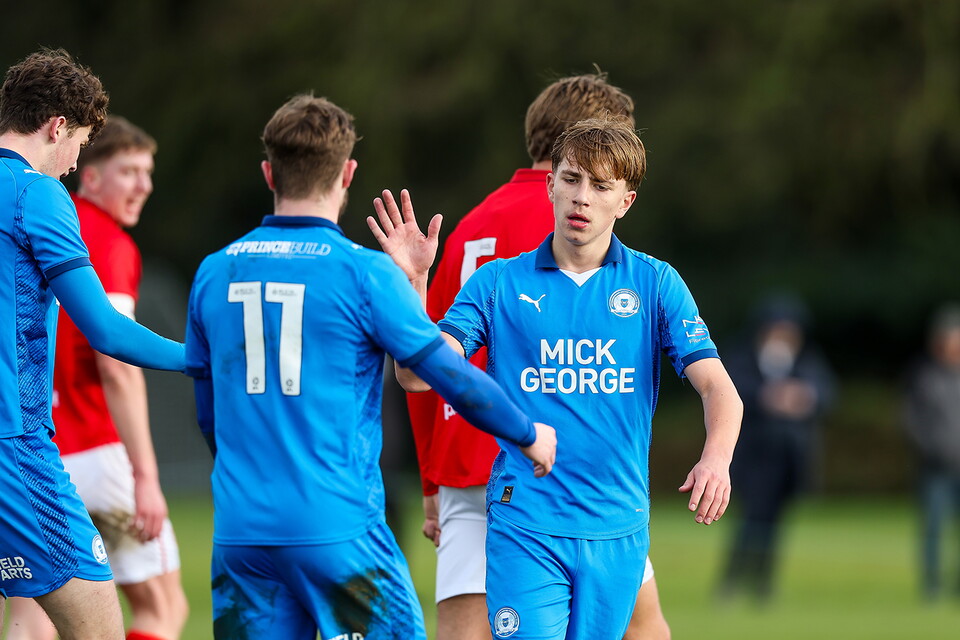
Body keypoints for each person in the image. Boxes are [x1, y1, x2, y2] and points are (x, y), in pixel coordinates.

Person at [184, 94, 556, 640]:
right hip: (337, 529)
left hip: (242, 533)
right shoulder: (362, 273)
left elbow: (208, 412)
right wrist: (526, 433)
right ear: (348, 172)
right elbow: (448, 374)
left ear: (268, 173)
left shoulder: (214, 273)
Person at [371, 115, 742, 639]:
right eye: (570, 179)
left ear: (625, 201)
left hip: (617, 527)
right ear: (550, 185)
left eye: (600, 186)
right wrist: (414, 284)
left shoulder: (656, 283)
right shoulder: (497, 281)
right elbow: (416, 377)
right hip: (525, 522)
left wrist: (716, 459)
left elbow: (718, 388)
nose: (582, 197)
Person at [404, 72, 672, 640]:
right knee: (643, 627)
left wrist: (431, 479)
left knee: (464, 629)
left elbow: (425, 348)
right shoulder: (582, 217)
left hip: (464, 452)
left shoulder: (473, 221)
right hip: (569, 471)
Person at [0, 49, 184, 640]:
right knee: (99, 625)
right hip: (17, 449)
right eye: (79, 142)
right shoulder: (38, 194)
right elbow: (104, 330)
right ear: (57, 126)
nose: (76, 159)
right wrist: (196, 360)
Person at [719, 294, 834, 602]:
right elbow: (729, 389)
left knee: (775, 525)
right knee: (750, 521)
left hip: (790, 458)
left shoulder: (805, 361)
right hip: (754, 457)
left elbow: (826, 392)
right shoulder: (744, 358)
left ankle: (762, 583)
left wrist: (803, 397)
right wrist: (767, 397)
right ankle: (732, 581)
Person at [903, 304, 960, 601]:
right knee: (934, 529)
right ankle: (932, 587)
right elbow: (911, 419)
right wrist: (931, 448)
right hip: (936, 467)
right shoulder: (924, 375)